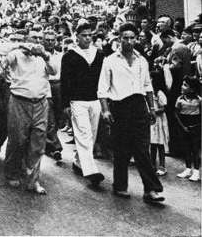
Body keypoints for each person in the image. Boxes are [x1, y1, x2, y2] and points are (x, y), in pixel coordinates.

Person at [98, 23, 164, 203]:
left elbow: (147, 86)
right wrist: (105, 110)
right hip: (120, 107)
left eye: (132, 38)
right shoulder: (110, 60)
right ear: (119, 39)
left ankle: (151, 190)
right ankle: (120, 186)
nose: (129, 41)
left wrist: (151, 108)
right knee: (122, 150)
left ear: (136, 39)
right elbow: (103, 89)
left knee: (143, 150)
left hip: (139, 106)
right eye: (125, 38)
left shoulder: (142, 60)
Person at [4, 33, 57, 194]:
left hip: (40, 102)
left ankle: (32, 180)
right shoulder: (16, 54)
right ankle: (12, 172)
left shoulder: (44, 57)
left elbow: (54, 71)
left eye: (39, 39)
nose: (36, 42)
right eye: (33, 38)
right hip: (20, 101)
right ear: (26, 40)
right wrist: (17, 50)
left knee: (38, 142)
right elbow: (4, 63)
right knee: (18, 139)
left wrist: (45, 56)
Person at [61, 22, 105, 186]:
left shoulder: (99, 54)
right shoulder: (70, 55)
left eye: (89, 35)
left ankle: (79, 162)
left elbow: (104, 79)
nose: (87, 38)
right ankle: (91, 170)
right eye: (84, 35)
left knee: (91, 134)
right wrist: (65, 104)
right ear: (77, 37)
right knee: (84, 134)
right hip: (77, 100)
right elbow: (65, 81)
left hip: (95, 100)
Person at [175, 76, 201, 182]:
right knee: (186, 148)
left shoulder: (199, 100)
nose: (182, 86)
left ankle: (196, 171)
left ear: (192, 89)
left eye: (185, 85)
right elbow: (176, 113)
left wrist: (196, 126)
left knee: (195, 149)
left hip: (196, 127)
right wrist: (183, 127)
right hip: (184, 126)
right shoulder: (180, 99)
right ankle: (188, 169)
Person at [43, 30, 63, 160]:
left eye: (52, 40)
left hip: (59, 86)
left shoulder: (60, 55)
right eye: (47, 40)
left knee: (58, 116)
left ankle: (47, 144)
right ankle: (55, 147)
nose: (50, 42)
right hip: (46, 85)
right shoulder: (40, 55)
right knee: (49, 117)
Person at [150, 70, 169, 176]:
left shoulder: (159, 93)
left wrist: (153, 112)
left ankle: (162, 166)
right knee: (152, 143)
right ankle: (152, 164)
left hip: (159, 120)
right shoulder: (150, 92)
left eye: (151, 78)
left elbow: (163, 108)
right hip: (152, 121)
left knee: (160, 143)